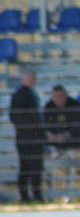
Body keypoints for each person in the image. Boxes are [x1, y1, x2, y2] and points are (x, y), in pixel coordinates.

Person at [9, 69, 45, 203]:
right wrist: (39, 132)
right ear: (32, 79)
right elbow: (35, 116)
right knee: (35, 166)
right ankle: (36, 195)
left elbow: (12, 116)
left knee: (24, 167)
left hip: (21, 136)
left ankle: (24, 196)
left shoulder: (16, 94)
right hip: (33, 136)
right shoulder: (29, 94)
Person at [43, 84, 80, 175]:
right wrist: (49, 134)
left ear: (66, 95)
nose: (58, 100)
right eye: (55, 97)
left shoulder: (75, 104)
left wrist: (66, 135)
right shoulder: (49, 106)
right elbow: (45, 124)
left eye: (60, 97)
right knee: (34, 135)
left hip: (71, 138)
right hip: (54, 138)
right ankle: (39, 169)